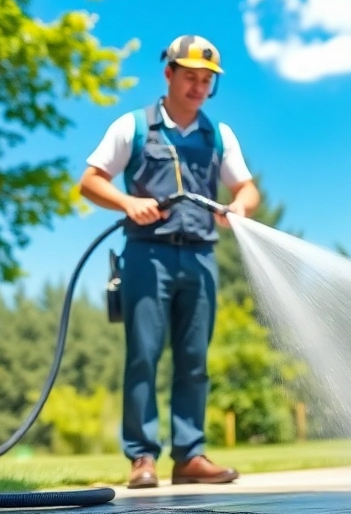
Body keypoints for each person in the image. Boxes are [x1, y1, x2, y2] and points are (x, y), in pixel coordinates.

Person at [79, 34, 260, 488]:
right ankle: (142, 458)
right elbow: (89, 181)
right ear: (169, 74)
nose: (199, 88)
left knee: (194, 359)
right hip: (147, 255)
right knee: (143, 355)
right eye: (191, 78)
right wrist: (126, 203)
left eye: (206, 81)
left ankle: (190, 456)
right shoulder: (134, 127)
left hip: (200, 257)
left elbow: (247, 188)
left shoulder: (218, 135)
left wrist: (240, 207)